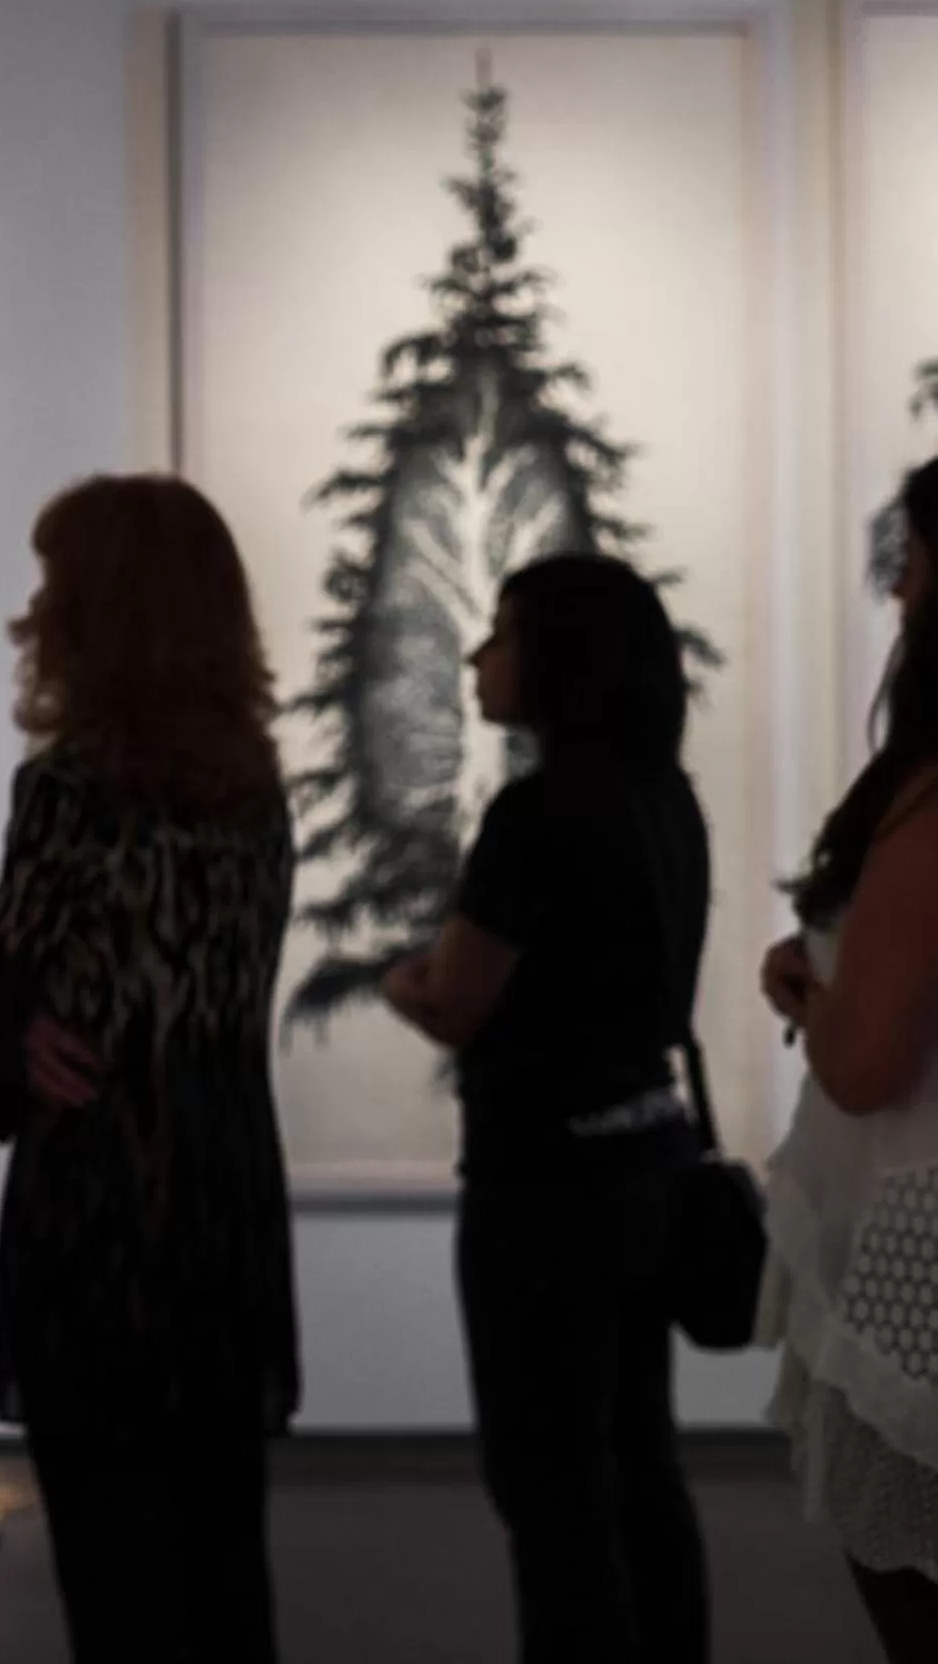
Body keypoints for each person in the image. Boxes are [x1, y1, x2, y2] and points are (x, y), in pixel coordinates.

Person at [0, 476, 299, 1663]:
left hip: (103, 1216)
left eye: (55, 586)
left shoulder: (71, 791)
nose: (33, 612)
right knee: (221, 1573)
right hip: (224, 1207)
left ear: (102, 611)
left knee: (117, 1583)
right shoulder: (255, 792)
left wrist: (8, 1043)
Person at [386, 554, 712, 1664]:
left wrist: (401, 982)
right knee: (640, 1466)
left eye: (503, 633)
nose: (480, 656)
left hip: (543, 1199)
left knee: (551, 1492)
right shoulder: (667, 799)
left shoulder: (534, 816)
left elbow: (455, 1001)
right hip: (649, 1174)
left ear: (562, 660)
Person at [759, 458, 938, 1658]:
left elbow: (870, 1061)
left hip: (917, 1260)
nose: (899, 596)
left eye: (914, 566)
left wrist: (820, 995)